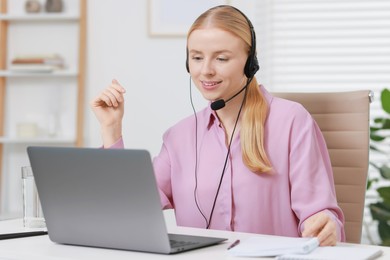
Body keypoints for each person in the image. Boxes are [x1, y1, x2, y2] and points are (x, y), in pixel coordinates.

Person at [91, 5, 345, 246]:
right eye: (197, 57)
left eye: (221, 58)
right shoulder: (179, 137)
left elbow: (320, 214)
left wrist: (324, 225)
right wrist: (111, 129)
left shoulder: (291, 121)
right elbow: (128, 207)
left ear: (250, 63)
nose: (206, 71)